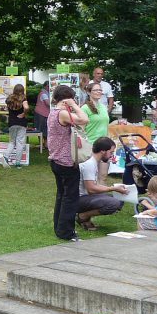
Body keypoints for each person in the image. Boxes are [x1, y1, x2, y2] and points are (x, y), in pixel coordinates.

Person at [48, 84, 90, 242]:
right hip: (66, 162)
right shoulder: (63, 113)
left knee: (61, 195)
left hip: (55, 159)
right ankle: (66, 231)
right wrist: (74, 106)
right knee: (70, 198)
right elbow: (84, 119)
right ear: (67, 99)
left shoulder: (53, 113)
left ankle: (59, 227)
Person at [75, 136, 128, 230]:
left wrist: (115, 187)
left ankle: (86, 218)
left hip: (85, 197)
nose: (112, 155)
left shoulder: (94, 162)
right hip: (79, 200)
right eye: (111, 152)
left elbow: (93, 186)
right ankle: (83, 216)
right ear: (103, 151)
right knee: (114, 203)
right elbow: (91, 189)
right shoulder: (90, 164)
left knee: (119, 199)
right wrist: (113, 188)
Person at [4, 84, 29, 167]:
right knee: (20, 143)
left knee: (12, 142)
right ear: (22, 90)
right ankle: (18, 163)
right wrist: (23, 114)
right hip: (21, 123)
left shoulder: (9, 99)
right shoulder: (23, 98)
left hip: (12, 122)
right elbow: (26, 107)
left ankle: (5, 157)